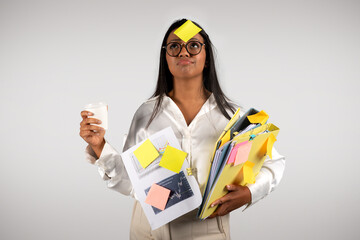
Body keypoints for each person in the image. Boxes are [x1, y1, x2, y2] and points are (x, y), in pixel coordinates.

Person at [79, 18, 285, 240]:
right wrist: (99, 146)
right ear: (165, 58)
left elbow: (274, 162)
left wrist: (249, 193)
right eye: (175, 46)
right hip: (148, 227)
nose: (184, 53)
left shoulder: (233, 117)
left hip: (207, 227)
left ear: (206, 59)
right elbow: (132, 181)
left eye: (193, 45)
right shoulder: (146, 115)